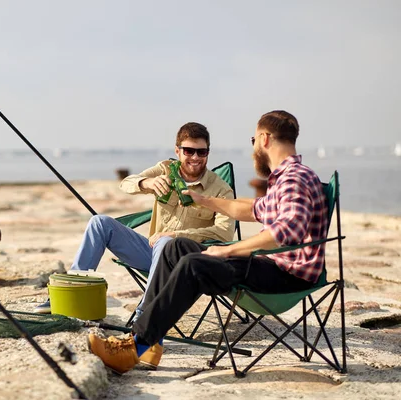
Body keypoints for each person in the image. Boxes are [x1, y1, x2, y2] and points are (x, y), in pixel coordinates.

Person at [87, 110, 329, 374]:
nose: (253, 149)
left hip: (286, 276)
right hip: (272, 267)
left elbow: (286, 233)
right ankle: (150, 341)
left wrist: (228, 251)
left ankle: (134, 346)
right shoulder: (286, 178)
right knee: (176, 247)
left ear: (265, 139)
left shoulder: (294, 178)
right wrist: (204, 201)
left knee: (194, 265)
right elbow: (249, 210)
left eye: (253, 140)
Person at [34, 122, 236, 324]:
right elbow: (126, 183)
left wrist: (175, 235)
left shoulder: (221, 190)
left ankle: (145, 317)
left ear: (208, 153)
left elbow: (224, 233)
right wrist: (146, 183)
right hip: (152, 254)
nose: (195, 157)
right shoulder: (166, 169)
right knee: (99, 222)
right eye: (189, 151)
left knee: (166, 243)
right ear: (178, 151)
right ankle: (69, 293)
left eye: (201, 152)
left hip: (188, 264)